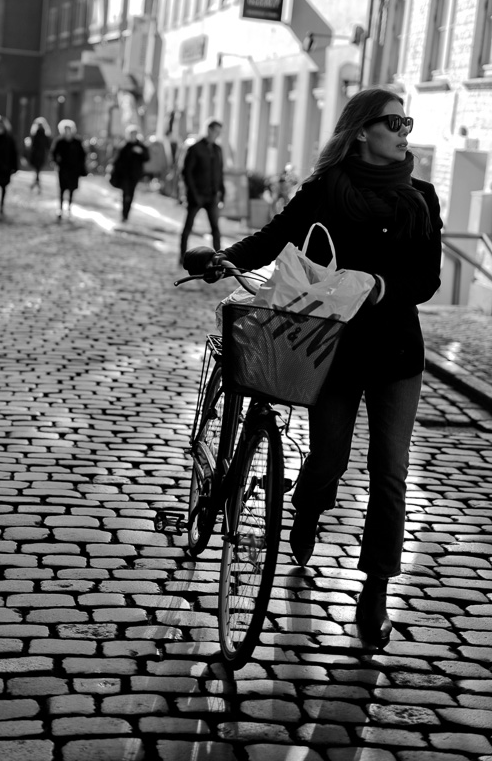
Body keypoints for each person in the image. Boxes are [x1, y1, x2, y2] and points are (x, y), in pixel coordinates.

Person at [190, 87, 443, 647]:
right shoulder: (325, 190)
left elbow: (426, 280)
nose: (404, 130)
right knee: (328, 460)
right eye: (393, 121)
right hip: (331, 350)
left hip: (398, 351)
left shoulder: (422, 196)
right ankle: (307, 508)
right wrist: (223, 257)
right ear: (361, 132)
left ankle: (374, 588)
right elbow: (274, 238)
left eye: (406, 120)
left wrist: (378, 286)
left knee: (390, 471)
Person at [180, 118, 225, 266]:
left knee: (215, 229)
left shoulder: (218, 149)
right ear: (209, 130)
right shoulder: (195, 148)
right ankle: (182, 257)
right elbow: (187, 172)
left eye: (219, 132)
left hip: (212, 196)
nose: (217, 135)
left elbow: (219, 172)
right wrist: (193, 193)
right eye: (215, 131)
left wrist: (221, 192)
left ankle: (219, 260)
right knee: (188, 227)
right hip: (197, 196)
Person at [111, 125, 150, 222]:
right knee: (125, 193)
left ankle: (127, 213)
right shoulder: (124, 146)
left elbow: (147, 158)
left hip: (135, 175)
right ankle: (124, 214)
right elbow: (118, 160)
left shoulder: (141, 146)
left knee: (131, 194)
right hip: (125, 174)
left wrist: (140, 152)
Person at [51, 119, 87, 219]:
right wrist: (57, 162)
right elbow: (53, 153)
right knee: (62, 188)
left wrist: (80, 166)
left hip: (74, 169)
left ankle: (69, 207)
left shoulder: (77, 141)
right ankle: (61, 208)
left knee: (71, 189)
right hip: (63, 168)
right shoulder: (60, 141)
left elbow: (82, 155)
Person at [27, 117, 52, 192]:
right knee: (38, 169)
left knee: (37, 169)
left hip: (38, 154)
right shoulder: (44, 134)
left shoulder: (35, 134)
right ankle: (37, 181)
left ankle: (36, 181)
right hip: (39, 154)